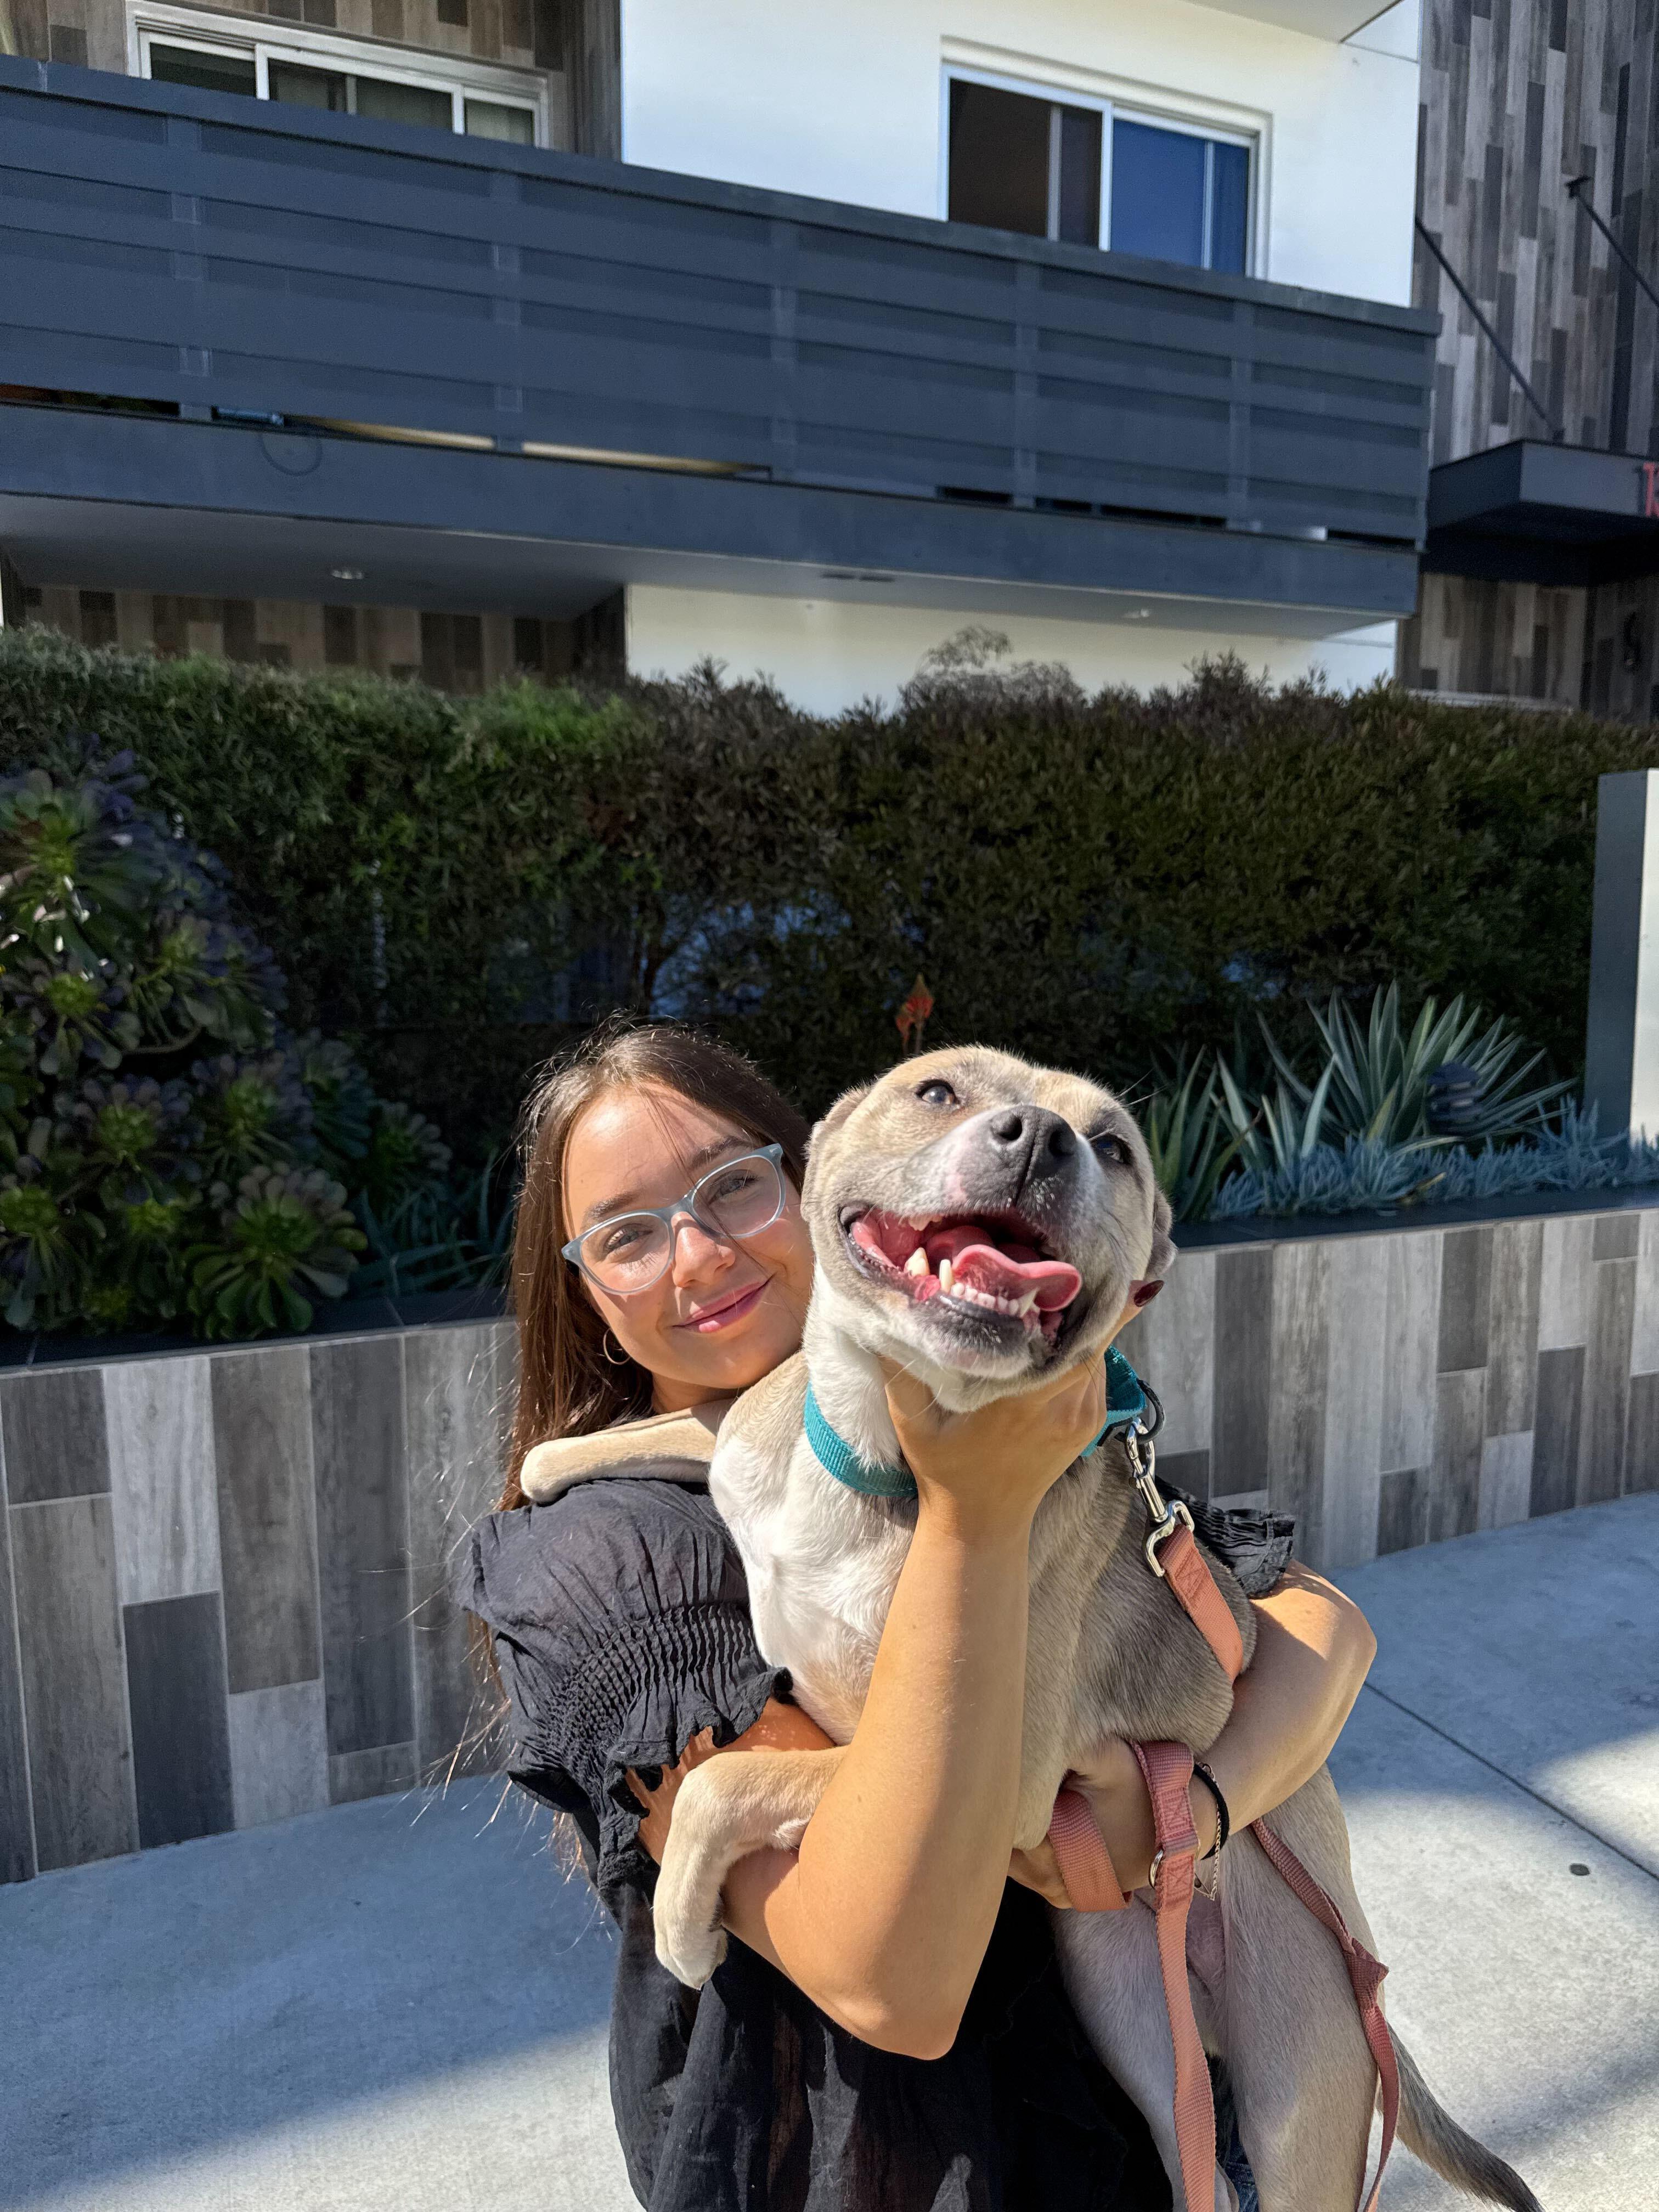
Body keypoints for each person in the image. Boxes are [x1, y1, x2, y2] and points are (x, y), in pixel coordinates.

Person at [463, 1021, 1377, 2211]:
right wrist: (974, 1516)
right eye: (629, 1233)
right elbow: (900, 1973)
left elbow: (1324, 1627)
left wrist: (1194, 1812)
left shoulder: (1024, 1422)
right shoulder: (605, 1563)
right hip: (872, 2157)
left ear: (805, 1179)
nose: (696, 1254)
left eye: (736, 1186)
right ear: (581, 1288)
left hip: (1168, 2030)